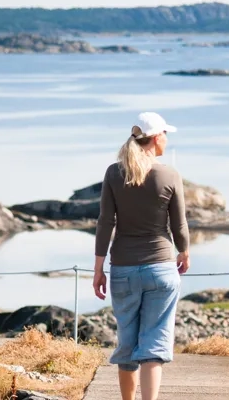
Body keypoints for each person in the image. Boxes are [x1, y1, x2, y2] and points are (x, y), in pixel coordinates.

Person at [92, 112, 190, 400]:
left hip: (122, 269)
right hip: (161, 268)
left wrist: (98, 269)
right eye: (166, 135)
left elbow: (105, 222)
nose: (167, 140)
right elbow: (179, 224)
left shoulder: (113, 172)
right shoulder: (169, 174)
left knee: (127, 344)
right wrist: (184, 251)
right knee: (154, 346)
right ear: (157, 137)